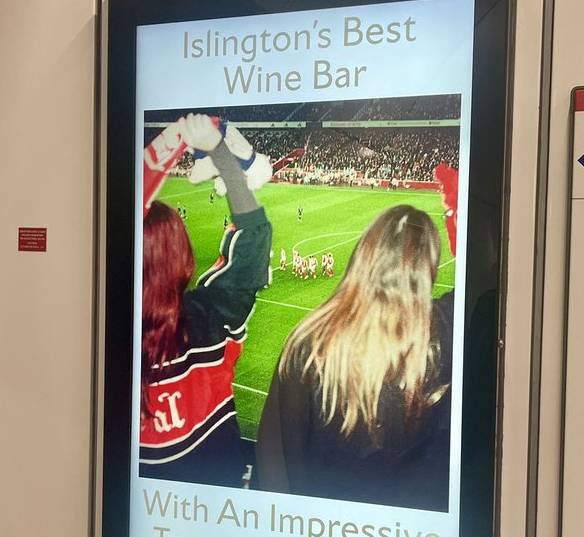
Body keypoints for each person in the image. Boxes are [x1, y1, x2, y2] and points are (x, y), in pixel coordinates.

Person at [257, 206, 452, 511]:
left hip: (318, 528)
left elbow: (273, 460)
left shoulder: (305, 345)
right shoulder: (443, 339)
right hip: (406, 535)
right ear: (427, 268)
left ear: (363, 254)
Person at [141, 114, 272, 486]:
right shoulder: (209, 321)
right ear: (181, 256)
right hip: (215, 508)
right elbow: (253, 242)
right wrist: (221, 155)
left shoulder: (97, 340)